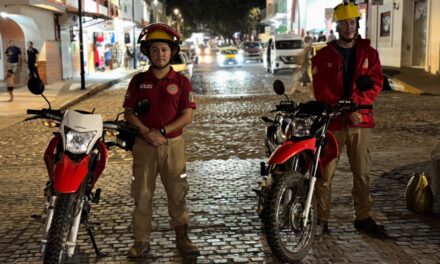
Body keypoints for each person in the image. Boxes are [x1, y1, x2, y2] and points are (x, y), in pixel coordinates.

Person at [122, 22, 199, 258]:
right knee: (142, 194)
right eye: (154, 49)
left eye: (164, 49)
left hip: (173, 146)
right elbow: (129, 113)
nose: (160, 54)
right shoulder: (137, 81)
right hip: (144, 145)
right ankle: (141, 242)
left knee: (177, 192)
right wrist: (147, 132)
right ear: (147, 52)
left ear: (172, 52)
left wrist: (162, 132)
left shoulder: (182, 81)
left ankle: (182, 238)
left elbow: (187, 115)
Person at [311, 2, 384, 236]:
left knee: (362, 173)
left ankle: (363, 217)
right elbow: (320, 89)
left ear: (358, 24)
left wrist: (354, 103)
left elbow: (374, 84)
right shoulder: (323, 56)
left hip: (360, 121)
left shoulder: (369, 54)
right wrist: (343, 108)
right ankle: (321, 218)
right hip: (333, 122)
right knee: (325, 174)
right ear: (337, 26)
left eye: (352, 22)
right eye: (344, 23)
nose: (349, 27)